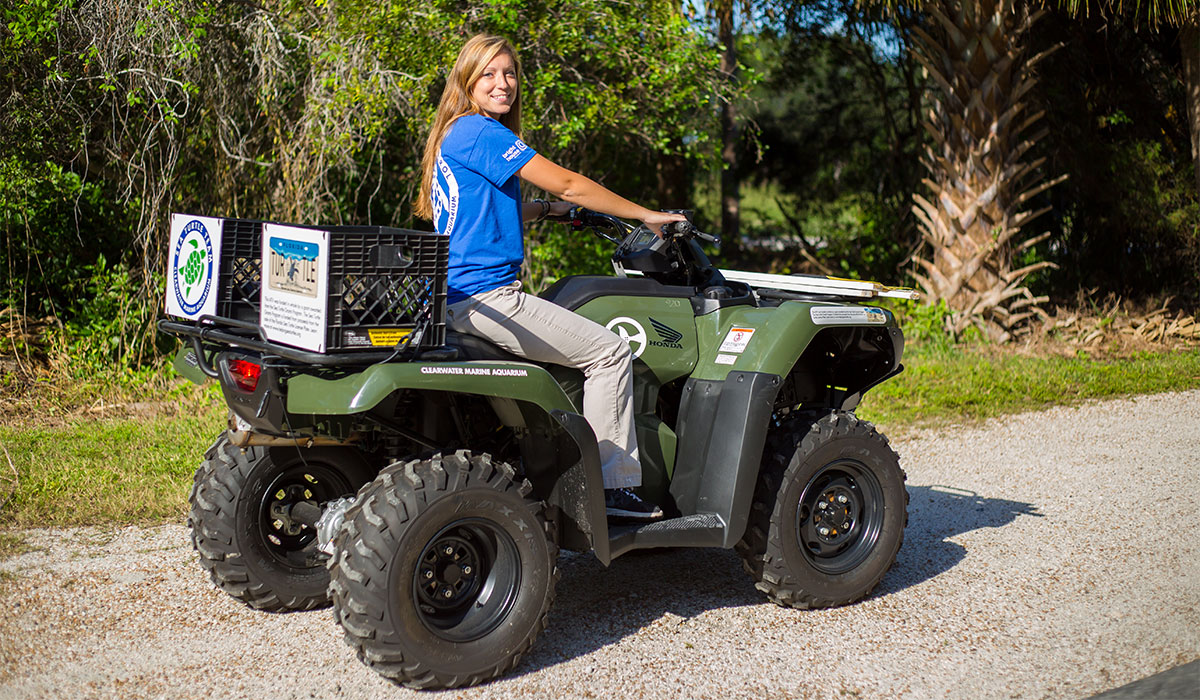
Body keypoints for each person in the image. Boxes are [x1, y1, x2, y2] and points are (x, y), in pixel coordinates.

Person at [415, 33, 684, 521]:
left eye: (510, 73)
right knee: (610, 352)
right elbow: (569, 181)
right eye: (490, 74)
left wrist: (549, 211)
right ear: (467, 81)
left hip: (453, 299)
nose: (503, 84)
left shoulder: (454, 134)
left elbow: (488, 212)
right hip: (488, 299)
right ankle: (614, 490)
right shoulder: (483, 132)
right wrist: (645, 214)